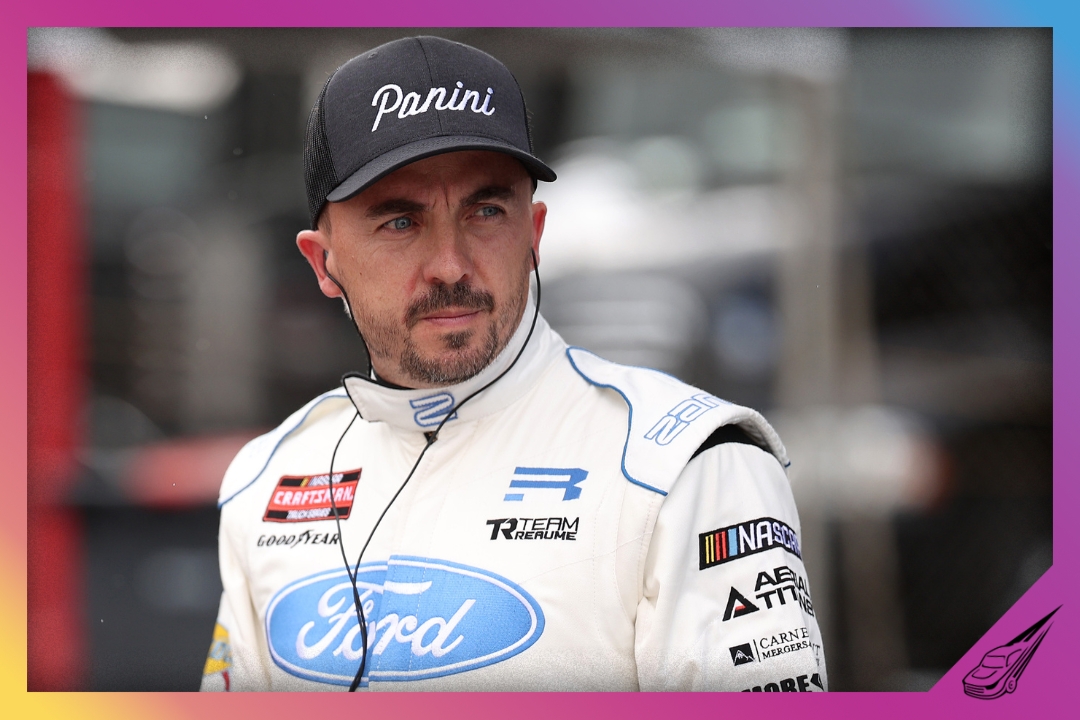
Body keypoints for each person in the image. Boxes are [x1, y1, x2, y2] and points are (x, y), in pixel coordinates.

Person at [200, 35, 826, 692]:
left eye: (486, 210)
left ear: (533, 234)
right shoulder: (271, 478)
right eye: (400, 223)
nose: (450, 265)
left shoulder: (686, 463)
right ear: (322, 262)